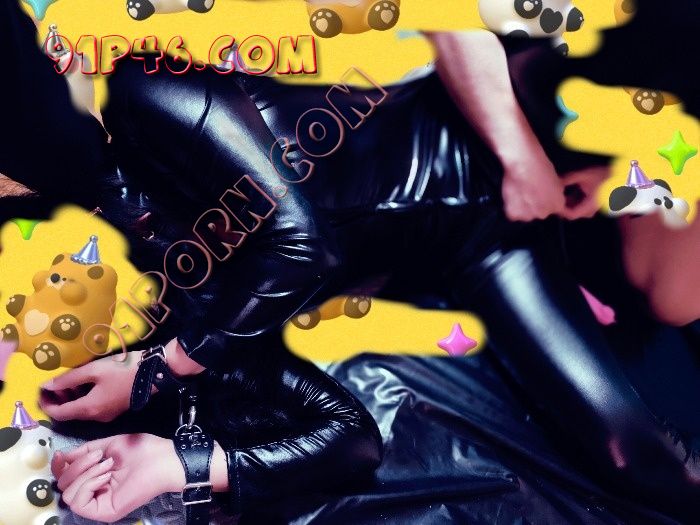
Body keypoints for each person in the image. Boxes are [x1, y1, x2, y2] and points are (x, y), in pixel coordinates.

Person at [0, 1, 698, 522]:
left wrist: (165, 366)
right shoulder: (192, 328)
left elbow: (304, 247)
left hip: (492, 124)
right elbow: (352, 438)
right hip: (486, 250)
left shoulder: (147, 94)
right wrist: (179, 461)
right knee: (639, 457)